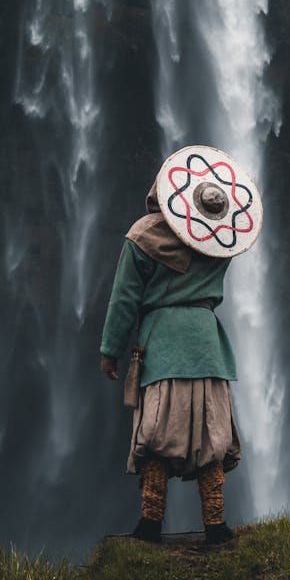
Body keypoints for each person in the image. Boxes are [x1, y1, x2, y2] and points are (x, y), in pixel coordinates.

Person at [99, 174, 242, 544]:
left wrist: (109, 351)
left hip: (163, 344)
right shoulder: (220, 238)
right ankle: (216, 525)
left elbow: (125, 298)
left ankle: (150, 524)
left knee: (158, 433)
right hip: (207, 345)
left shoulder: (144, 237)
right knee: (211, 434)